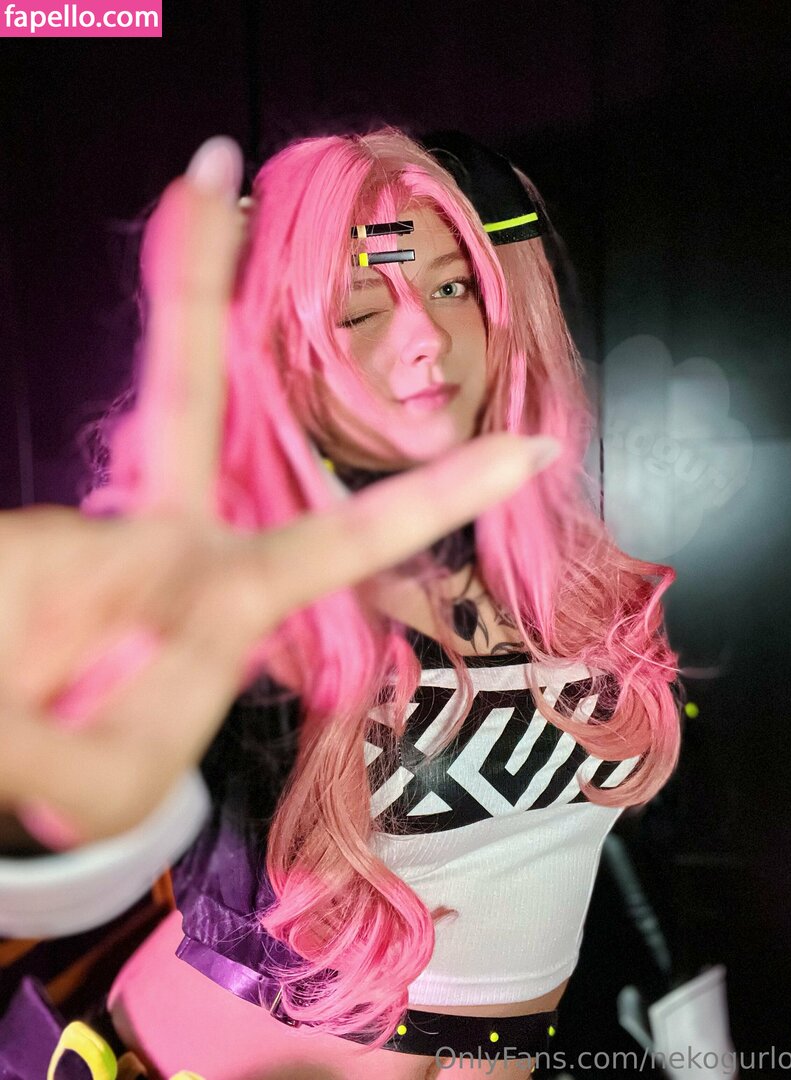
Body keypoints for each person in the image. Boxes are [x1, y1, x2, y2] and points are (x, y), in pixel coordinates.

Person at [2, 128, 683, 1080]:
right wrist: (32, 816)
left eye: (453, 287)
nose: (423, 335)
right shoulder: (254, 597)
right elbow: (89, 801)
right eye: (360, 306)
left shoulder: (573, 574)